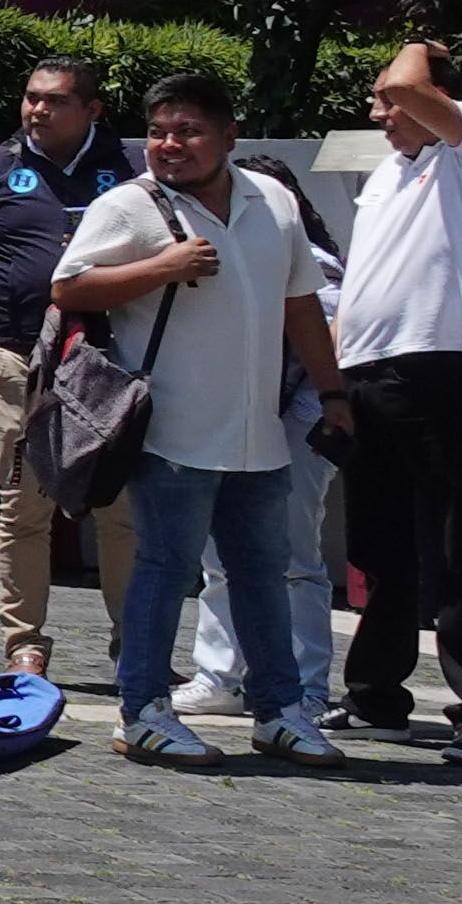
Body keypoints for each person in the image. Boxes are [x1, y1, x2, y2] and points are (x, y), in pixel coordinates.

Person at [52, 70, 347, 768]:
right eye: (157, 132)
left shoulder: (272, 199)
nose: (170, 145)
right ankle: (143, 711)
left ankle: (279, 711)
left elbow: (302, 305)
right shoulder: (130, 207)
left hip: (258, 433)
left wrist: (336, 396)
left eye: (187, 131)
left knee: (261, 573)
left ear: (228, 137)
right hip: (172, 433)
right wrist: (162, 266)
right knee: (165, 568)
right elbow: (68, 285)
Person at [332, 39, 462, 765]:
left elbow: (415, 88)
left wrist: (414, 45)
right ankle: (376, 697)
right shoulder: (387, 174)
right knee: (378, 547)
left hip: (440, 368)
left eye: (387, 97)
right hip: (367, 374)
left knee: (461, 545)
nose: (377, 110)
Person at [0, 53, 142, 678]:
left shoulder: (130, 168)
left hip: (110, 357)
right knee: (25, 501)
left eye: (55, 100)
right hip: (19, 354)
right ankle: (25, 644)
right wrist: (9, 285)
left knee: (120, 506)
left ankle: (135, 645)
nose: (37, 110)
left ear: (92, 110)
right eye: (31, 97)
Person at [182, 169, 346, 728]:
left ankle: (306, 687)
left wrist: (309, 412)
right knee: (218, 560)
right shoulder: (210, 252)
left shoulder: (319, 267)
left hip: (295, 427)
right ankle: (218, 676)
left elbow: (328, 342)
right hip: (227, 425)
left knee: (296, 559)